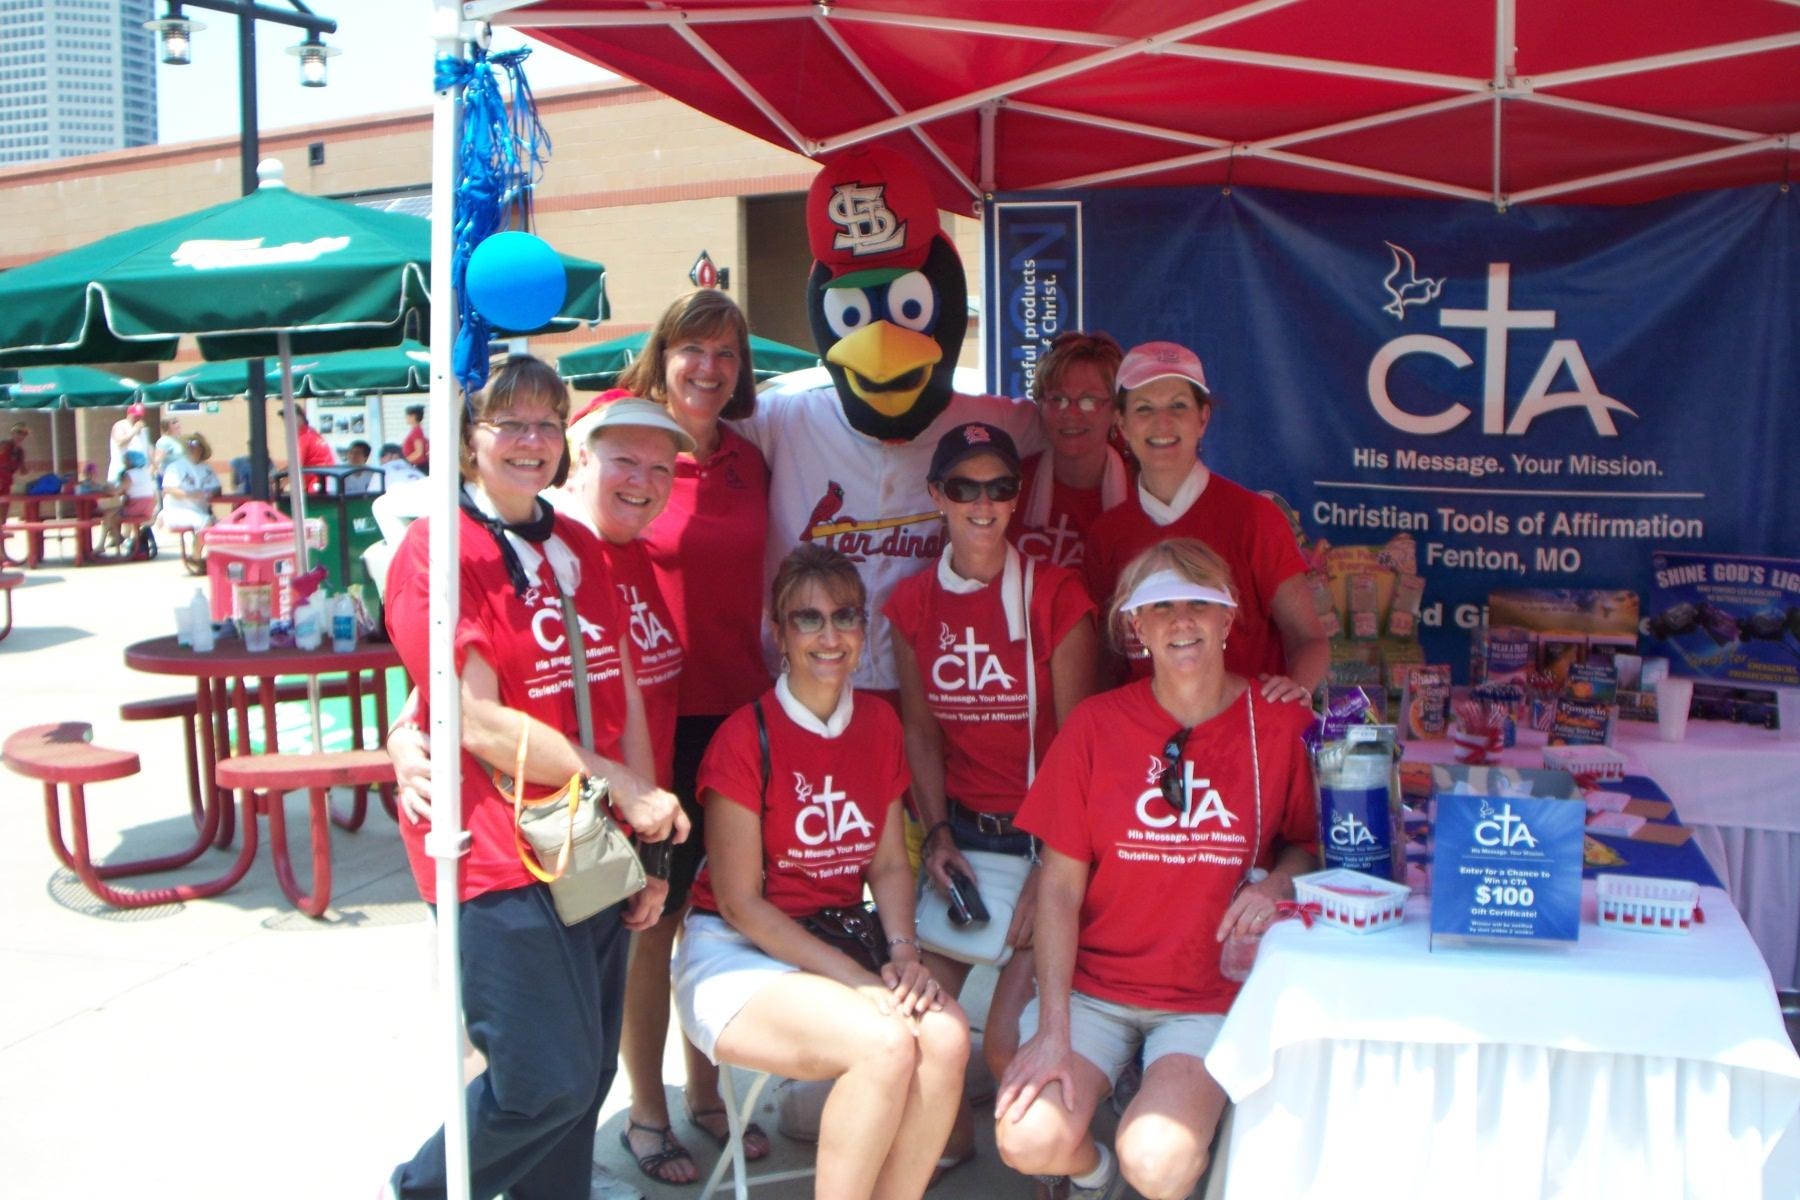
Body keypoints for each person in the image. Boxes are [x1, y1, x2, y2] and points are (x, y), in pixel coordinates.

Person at [380, 355, 687, 1200]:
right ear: (469, 436)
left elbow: (620, 686)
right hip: (493, 851)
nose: (530, 440)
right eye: (508, 423)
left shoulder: (577, 542)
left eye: (547, 424)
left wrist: (648, 838)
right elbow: (471, 721)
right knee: (540, 1078)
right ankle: (420, 1191)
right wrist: (620, 783)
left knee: (586, 1079)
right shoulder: (438, 548)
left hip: (587, 840)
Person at [994, 539, 1318, 1200]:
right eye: (1159, 606)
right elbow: (1058, 888)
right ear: (1133, 628)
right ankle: (1094, 1178)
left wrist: (1279, 884)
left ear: (1229, 620)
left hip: (1208, 997)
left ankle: (1154, 1146)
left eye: (1200, 603)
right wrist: (1053, 1030)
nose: (1181, 621)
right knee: (1028, 1137)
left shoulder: (1280, 720)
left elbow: (1308, 845)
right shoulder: (1093, 725)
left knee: (1159, 1160)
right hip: (1095, 990)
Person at [673, 544, 970, 1200]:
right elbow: (741, 904)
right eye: (807, 619)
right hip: (737, 956)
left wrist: (901, 954)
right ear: (778, 633)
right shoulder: (743, 737)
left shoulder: (878, 722)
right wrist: (862, 982)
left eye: (844, 616)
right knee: (886, 1044)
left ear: (864, 630)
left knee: (946, 1038)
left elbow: (892, 863)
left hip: (837, 943)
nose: (829, 635)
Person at [884, 422, 1099, 1171]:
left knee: (1007, 1038)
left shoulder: (1056, 595)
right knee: (917, 1025)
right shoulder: (912, 604)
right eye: (965, 488)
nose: (983, 503)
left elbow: (1079, 745)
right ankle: (957, 1146)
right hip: (968, 846)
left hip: (1048, 846)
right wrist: (937, 834)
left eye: (1000, 488)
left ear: (1015, 500)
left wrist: (1053, 867)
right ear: (937, 494)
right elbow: (920, 732)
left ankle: (1061, 1173)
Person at [606, 288, 776, 1181]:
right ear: (661, 352)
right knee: (653, 921)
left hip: (737, 717)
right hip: (650, 726)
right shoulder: (622, 440)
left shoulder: (750, 460)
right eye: (692, 350)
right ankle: (647, 1109)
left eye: (726, 354)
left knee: (720, 914)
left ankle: (708, 1095)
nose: (708, 369)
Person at [1083, 341, 1327, 703]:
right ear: (1121, 423)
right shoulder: (1108, 534)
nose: (1162, 423)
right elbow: (1106, 662)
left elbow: (1310, 639)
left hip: (1243, 736)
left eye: (1178, 406)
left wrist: (1296, 692)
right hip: (1147, 748)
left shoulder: (1255, 518)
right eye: (1145, 408)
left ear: (1203, 418)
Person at [1015, 332, 1130, 571]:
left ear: (1116, 411)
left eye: (1089, 400)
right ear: (1040, 404)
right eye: (1058, 399)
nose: (1071, 413)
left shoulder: (1144, 492)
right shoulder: (1009, 486)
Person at [158, 434, 220, 533]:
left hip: (200, 511)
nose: (191, 447)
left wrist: (210, 493)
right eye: (188, 444)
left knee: (220, 525)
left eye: (195, 444)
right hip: (177, 511)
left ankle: (198, 547)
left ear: (201, 449)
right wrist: (191, 494)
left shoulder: (207, 468)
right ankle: (196, 549)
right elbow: (168, 489)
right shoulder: (175, 467)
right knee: (206, 522)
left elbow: (217, 488)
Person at [100, 448, 157, 552]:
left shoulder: (130, 474)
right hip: (148, 507)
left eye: (126, 460)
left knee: (109, 514)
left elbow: (116, 492)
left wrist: (105, 488)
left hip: (137, 507)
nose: (124, 462)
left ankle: (102, 544)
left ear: (131, 461)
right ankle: (124, 542)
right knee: (115, 515)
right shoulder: (145, 473)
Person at [108, 402, 151, 483]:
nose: (137, 418)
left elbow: (148, 450)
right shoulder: (120, 425)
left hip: (139, 473)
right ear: (129, 414)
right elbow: (119, 442)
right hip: (121, 471)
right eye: (135, 416)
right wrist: (134, 431)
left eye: (140, 416)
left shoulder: (143, 430)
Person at [0, 422, 27, 520]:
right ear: (13, 433)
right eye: (19, 432)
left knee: (5, 506)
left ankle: (2, 529)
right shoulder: (4, 444)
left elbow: (23, 470)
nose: (21, 436)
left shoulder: (20, 452)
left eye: (24, 433)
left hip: (7, 481)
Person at [152, 416, 185, 481]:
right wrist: (163, 475)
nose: (177, 424)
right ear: (167, 427)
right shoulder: (164, 441)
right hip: (170, 477)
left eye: (177, 421)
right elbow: (157, 461)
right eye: (174, 423)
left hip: (181, 476)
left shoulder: (177, 440)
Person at [403, 403, 429, 471]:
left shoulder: (416, 431)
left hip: (418, 467)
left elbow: (419, 452)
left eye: (407, 416)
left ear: (413, 416)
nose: (406, 418)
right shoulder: (417, 430)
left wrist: (404, 461)